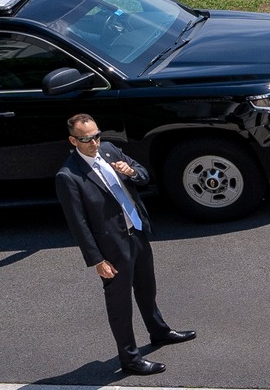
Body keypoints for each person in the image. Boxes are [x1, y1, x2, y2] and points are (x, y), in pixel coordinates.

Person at [53, 114, 195, 376]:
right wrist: (97, 260)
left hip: (136, 232)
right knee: (120, 305)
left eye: (97, 135)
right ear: (73, 140)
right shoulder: (68, 176)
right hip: (112, 247)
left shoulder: (108, 150)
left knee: (147, 288)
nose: (94, 142)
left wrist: (131, 172)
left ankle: (159, 332)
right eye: (86, 139)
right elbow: (78, 223)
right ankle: (129, 359)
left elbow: (143, 175)